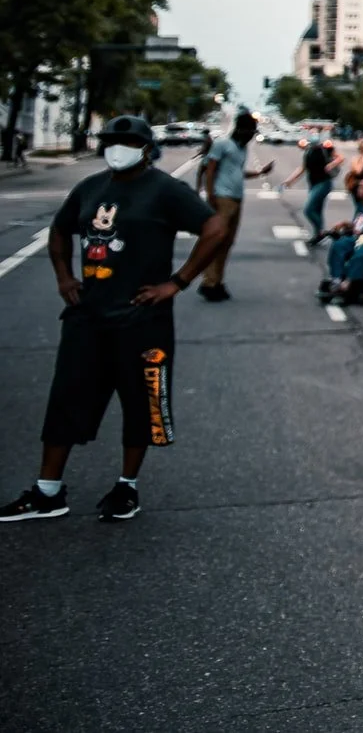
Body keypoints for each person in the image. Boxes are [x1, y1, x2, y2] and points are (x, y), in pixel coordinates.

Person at [1, 116, 232, 522]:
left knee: (141, 404)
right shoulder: (91, 187)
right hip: (87, 317)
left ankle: (127, 487)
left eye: (125, 141)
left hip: (142, 318)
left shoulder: (165, 190)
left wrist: (176, 283)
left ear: (145, 149)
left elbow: (215, 227)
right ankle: (47, 491)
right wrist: (64, 277)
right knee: (65, 401)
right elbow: (59, 231)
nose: (116, 147)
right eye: (110, 140)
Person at [192, 112, 271, 303]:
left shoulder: (242, 149)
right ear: (240, 129)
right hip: (222, 198)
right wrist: (210, 195)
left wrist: (260, 172)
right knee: (216, 241)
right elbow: (210, 170)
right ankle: (209, 283)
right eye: (250, 131)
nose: (252, 135)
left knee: (227, 243)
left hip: (236, 198)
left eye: (253, 131)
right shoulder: (222, 144)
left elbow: (238, 173)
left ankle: (217, 281)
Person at [286, 134, 336, 239]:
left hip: (324, 182)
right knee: (317, 210)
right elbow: (303, 168)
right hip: (314, 184)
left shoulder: (323, 149)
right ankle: (318, 234)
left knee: (309, 210)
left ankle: (321, 232)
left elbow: (340, 158)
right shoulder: (308, 153)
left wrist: (331, 165)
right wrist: (290, 180)